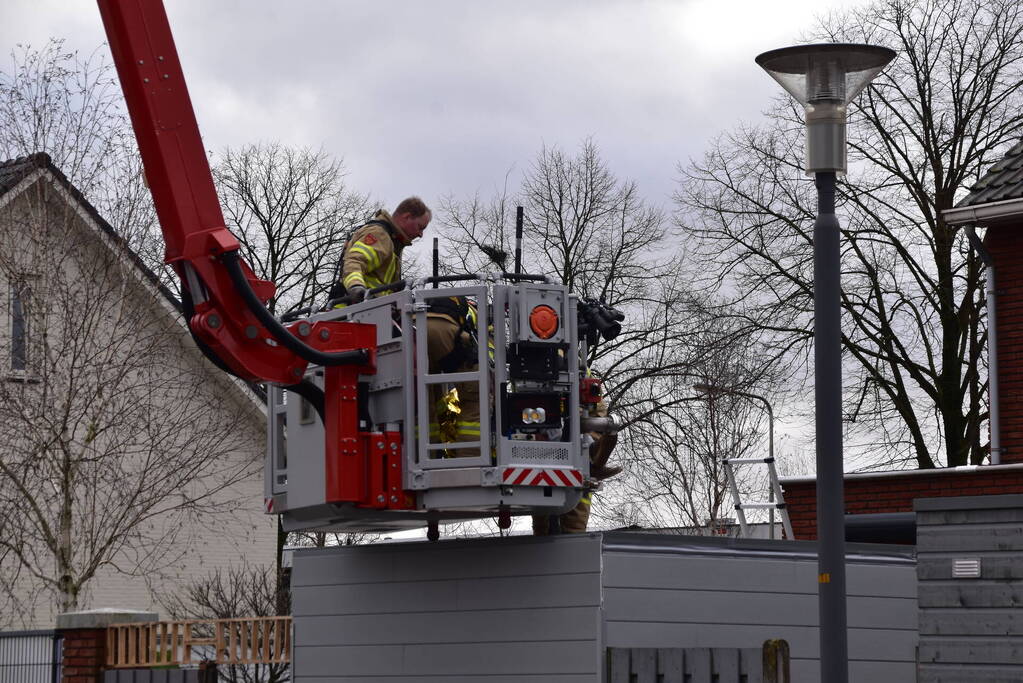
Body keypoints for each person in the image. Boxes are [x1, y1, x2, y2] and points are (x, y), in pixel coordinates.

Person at [532, 395, 621, 535]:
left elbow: (598, 413)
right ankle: (595, 466)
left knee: (573, 529)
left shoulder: (585, 381)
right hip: (543, 456)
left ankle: (595, 465)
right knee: (543, 526)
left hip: (575, 463)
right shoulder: (530, 386)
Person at [337, 197, 431, 303]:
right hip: (357, 311)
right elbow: (354, 261)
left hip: (370, 311)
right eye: (420, 227)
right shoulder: (379, 234)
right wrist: (356, 287)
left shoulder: (393, 242)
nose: (420, 234)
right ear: (407, 217)